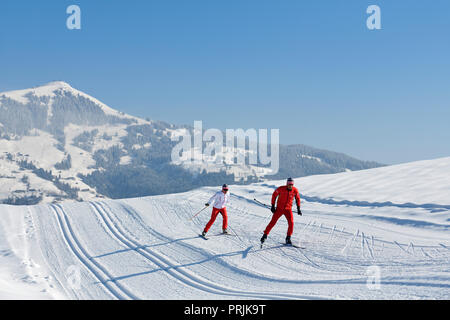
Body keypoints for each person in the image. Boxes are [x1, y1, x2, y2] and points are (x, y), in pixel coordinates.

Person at [261, 177, 301, 245]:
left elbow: (297, 199)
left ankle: (288, 238)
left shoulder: (295, 190)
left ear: (293, 184)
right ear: (286, 183)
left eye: (291, 184)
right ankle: (265, 235)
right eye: (289, 183)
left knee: (291, 223)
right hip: (279, 209)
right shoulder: (281, 189)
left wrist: (298, 209)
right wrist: (273, 206)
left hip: (288, 210)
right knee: (273, 222)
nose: (290, 185)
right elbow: (274, 195)